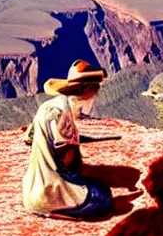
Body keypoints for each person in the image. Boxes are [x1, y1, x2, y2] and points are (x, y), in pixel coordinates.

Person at [22, 60, 113, 219]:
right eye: (94, 90)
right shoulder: (63, 115)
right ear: (86, 89)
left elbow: (30, 137)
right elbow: (68, 160)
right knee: (103, 196)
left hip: (31, 189)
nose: (96, 95)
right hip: (49, 192)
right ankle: (57, 210)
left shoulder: (48, 106)